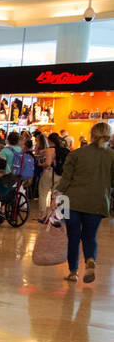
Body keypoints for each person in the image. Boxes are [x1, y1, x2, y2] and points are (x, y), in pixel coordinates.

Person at [54, 121, 114, 284]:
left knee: (73, 237)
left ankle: (73, 272)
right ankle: (90, 260)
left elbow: (66, 179)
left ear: (91, 134)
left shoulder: (76, 154)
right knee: (90, 236)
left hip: (71, 201)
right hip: (98, 202)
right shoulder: (111, 156)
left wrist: (57, 195)